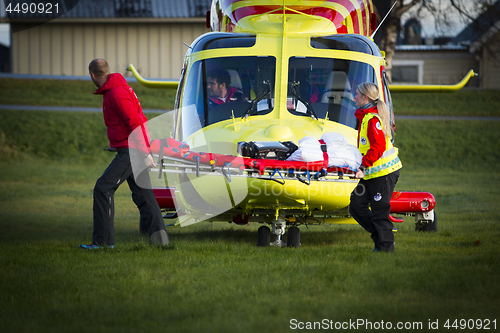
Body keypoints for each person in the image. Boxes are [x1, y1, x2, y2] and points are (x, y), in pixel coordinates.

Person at [80, 58, 169, 249]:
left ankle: (102, 243)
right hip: (133, 148)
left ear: (93, 75)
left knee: (103, 188)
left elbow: (135, 122)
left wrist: (145, 152)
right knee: (144, 195)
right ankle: (161, 241)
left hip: (132, 150)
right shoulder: (119, 88)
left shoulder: (115, 93)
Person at [349, 82, 402, 253]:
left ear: (365, 97)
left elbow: (377, 148)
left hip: (383, 173)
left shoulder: (372, 120)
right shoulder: (365, 117)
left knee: (380, 210)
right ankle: (379, 236)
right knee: (356, 205)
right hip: (372, 173)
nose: (354, 96)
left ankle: (386, 248)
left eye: (357, 94)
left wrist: (363, 167)